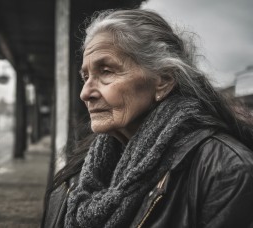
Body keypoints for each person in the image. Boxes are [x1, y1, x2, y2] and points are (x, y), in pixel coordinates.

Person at [42, 9, 253, 228]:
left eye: (106, 71)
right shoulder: (78, 174)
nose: (85, 93)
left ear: (163, 81)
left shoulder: (227, 172)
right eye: (86, 77)